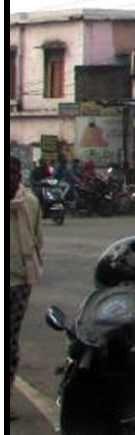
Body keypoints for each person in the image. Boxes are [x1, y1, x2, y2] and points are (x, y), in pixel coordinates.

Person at [10, 156, 44, 420]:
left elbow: (37, 240)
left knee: (10, 342)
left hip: (20, 282)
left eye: (14, 172)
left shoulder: (30, 203)